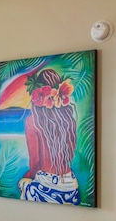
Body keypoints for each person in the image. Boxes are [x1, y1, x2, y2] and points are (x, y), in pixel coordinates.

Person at [18, 68, 80, 204]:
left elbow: (35, 160)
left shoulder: (32, 121)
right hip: (71, 187)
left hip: (46, 186)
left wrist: (29, 175)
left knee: (23, 184)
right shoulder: (68, 119)